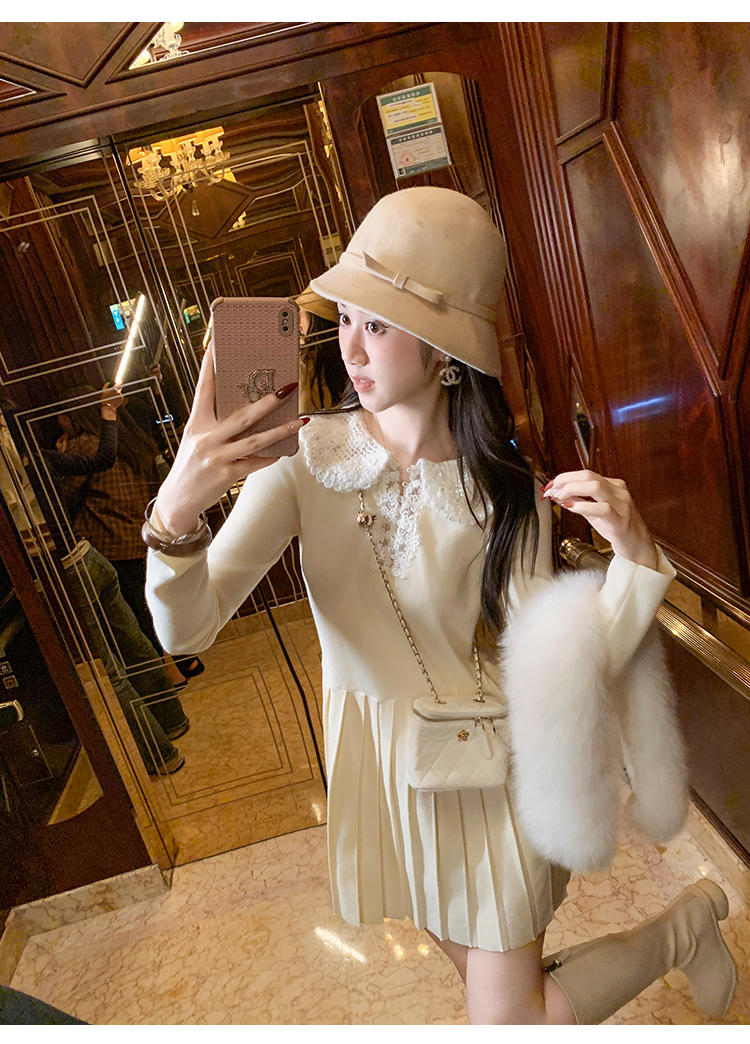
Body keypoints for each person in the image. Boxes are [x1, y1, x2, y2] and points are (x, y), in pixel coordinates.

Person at [143, 188, 737, 1024]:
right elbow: (188, 629)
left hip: (488, 773)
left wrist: (635, 557)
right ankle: (684, 931)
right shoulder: (304, 464)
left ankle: (682, 931)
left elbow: (561, 661)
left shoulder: (507, 490)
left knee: (510, 1022)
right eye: (346, 320)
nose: (352, 347)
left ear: (447, 350)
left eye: (379, 325)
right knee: (505, 990)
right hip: (382, 774)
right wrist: (174, 517)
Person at [0, 388, 187, 775]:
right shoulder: (41, 459)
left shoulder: (13, 481)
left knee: (110, 673)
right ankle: (174, 721)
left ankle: (162, 756)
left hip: (64, 571)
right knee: (136, 645)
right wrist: (108, 414)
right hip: (90, 557)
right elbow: (103, 458)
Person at [57, 387, 204, 688]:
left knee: (137, 614)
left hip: (109, 539)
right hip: (143, 533)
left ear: (74, 415)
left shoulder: (85, 445)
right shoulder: (130, 439)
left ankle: (170, 675)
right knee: (155, 602)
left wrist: (60, 456)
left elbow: (63, 495)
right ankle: (185, 658)